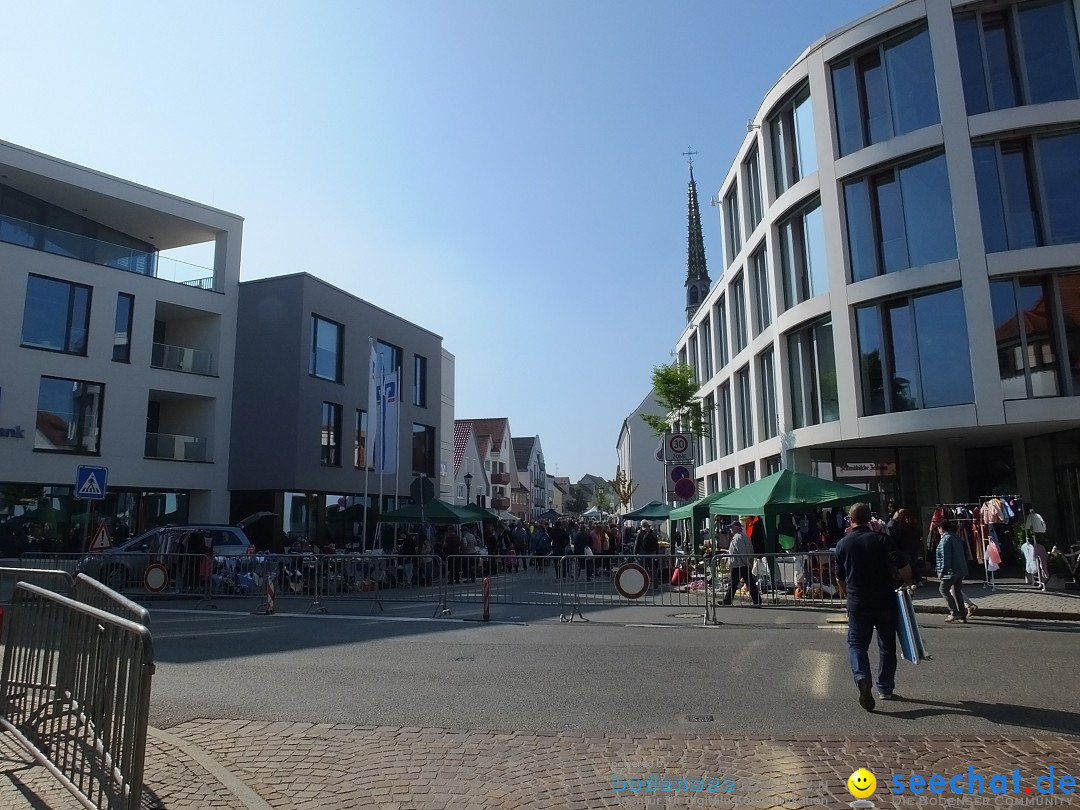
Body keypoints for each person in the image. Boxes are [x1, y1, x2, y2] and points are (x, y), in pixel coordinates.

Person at [834, 502, 913, 711]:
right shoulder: (882, 539)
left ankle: (862, 677)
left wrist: (846, 594)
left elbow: (839, 578)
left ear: (851, 520)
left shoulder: (843, 544)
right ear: (870, 520)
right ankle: (885, 688)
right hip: (885, 601)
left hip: (858, 603)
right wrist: (908, 583)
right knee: (887, 646)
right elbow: (903, 565)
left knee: (857, 645)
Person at [935, 518, 968, 623]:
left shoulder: (946, 539)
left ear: (941, 528)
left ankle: (954, 612)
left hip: (951, 571)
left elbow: (946, 557)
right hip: (959, 569)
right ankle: (962, 615)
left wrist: (942, 571)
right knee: (957, 591)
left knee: (943, 589)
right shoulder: (955, 537)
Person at [721, 517, 760, 606]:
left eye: (732, 527)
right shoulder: (743, 536)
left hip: (739, 564)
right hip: (741, 564)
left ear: (737, 527)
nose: (730, 529)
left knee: (735, 584)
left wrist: (747, 563)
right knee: (747, 583)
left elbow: (742, 552)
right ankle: (757, 601)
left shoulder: (738, 538)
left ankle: (727, 602)